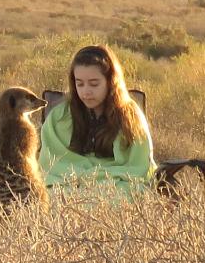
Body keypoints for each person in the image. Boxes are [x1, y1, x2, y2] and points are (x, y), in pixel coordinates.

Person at [38, 45, 156, 194]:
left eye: (94, 84)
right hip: (68, 185)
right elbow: (50, 165)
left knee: (135, 193)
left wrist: (99, 178)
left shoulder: (131, 115)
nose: (86, 91)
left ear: (110, 82)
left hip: (116, 186)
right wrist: (85, 177)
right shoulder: (59, 116)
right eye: (79, 83)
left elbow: (140, 167)